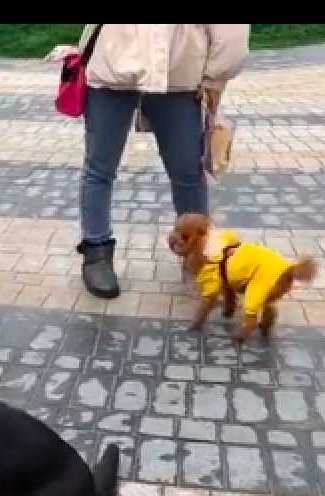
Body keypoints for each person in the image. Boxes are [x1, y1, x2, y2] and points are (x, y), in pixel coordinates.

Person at [49, 24, 250, 300]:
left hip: (179, 75)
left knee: (187, 171)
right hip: (112, 69)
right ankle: (96, 252)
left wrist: (215, 75)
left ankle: (200, 254)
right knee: (99, 167)